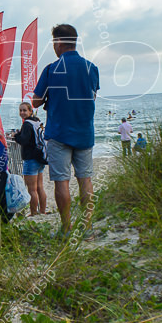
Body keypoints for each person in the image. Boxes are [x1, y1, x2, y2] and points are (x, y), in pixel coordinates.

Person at [32, 23, 100, 237]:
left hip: (59, 132)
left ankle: (66, 228)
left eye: (53, 42)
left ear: (58, 42)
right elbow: (93, 95)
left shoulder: (52, 69)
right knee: (85, 180)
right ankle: (87, 227)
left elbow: (35, 101)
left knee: (62, 181)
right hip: (84, 131)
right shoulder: (91, 67)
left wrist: (50, 99)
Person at [10, 101, 48, 217]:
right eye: (20, 110)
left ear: (30, 111)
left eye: (24, 110)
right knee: (40, 186)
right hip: (40, 156)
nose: (22, 112)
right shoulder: (36, 121)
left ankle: (33, 213)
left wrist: (15, 136)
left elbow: (24, 140)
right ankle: (42, 211)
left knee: (32, 189)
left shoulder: (27, 124)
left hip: (30, 158)